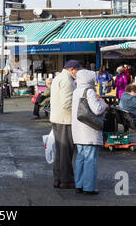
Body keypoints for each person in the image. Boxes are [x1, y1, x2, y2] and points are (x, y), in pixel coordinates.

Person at [72, 69, 108, 195]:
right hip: (89, 131)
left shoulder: (76, 91)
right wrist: (104, 104)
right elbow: (97, 109)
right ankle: (88, 187)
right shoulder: (90, 91)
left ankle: (79, 184)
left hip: (78, 131)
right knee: (90, 160)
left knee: (80, 158)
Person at [50, 59, 80, 189]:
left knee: (60, 151)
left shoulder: (59, 78)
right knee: (66, 152)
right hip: (65, 120)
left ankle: (58, 178)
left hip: (57, 118)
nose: (78, 73)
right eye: (77, 70)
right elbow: (67, 103)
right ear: (72, 69)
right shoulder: (67, 81)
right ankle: (66, 180)